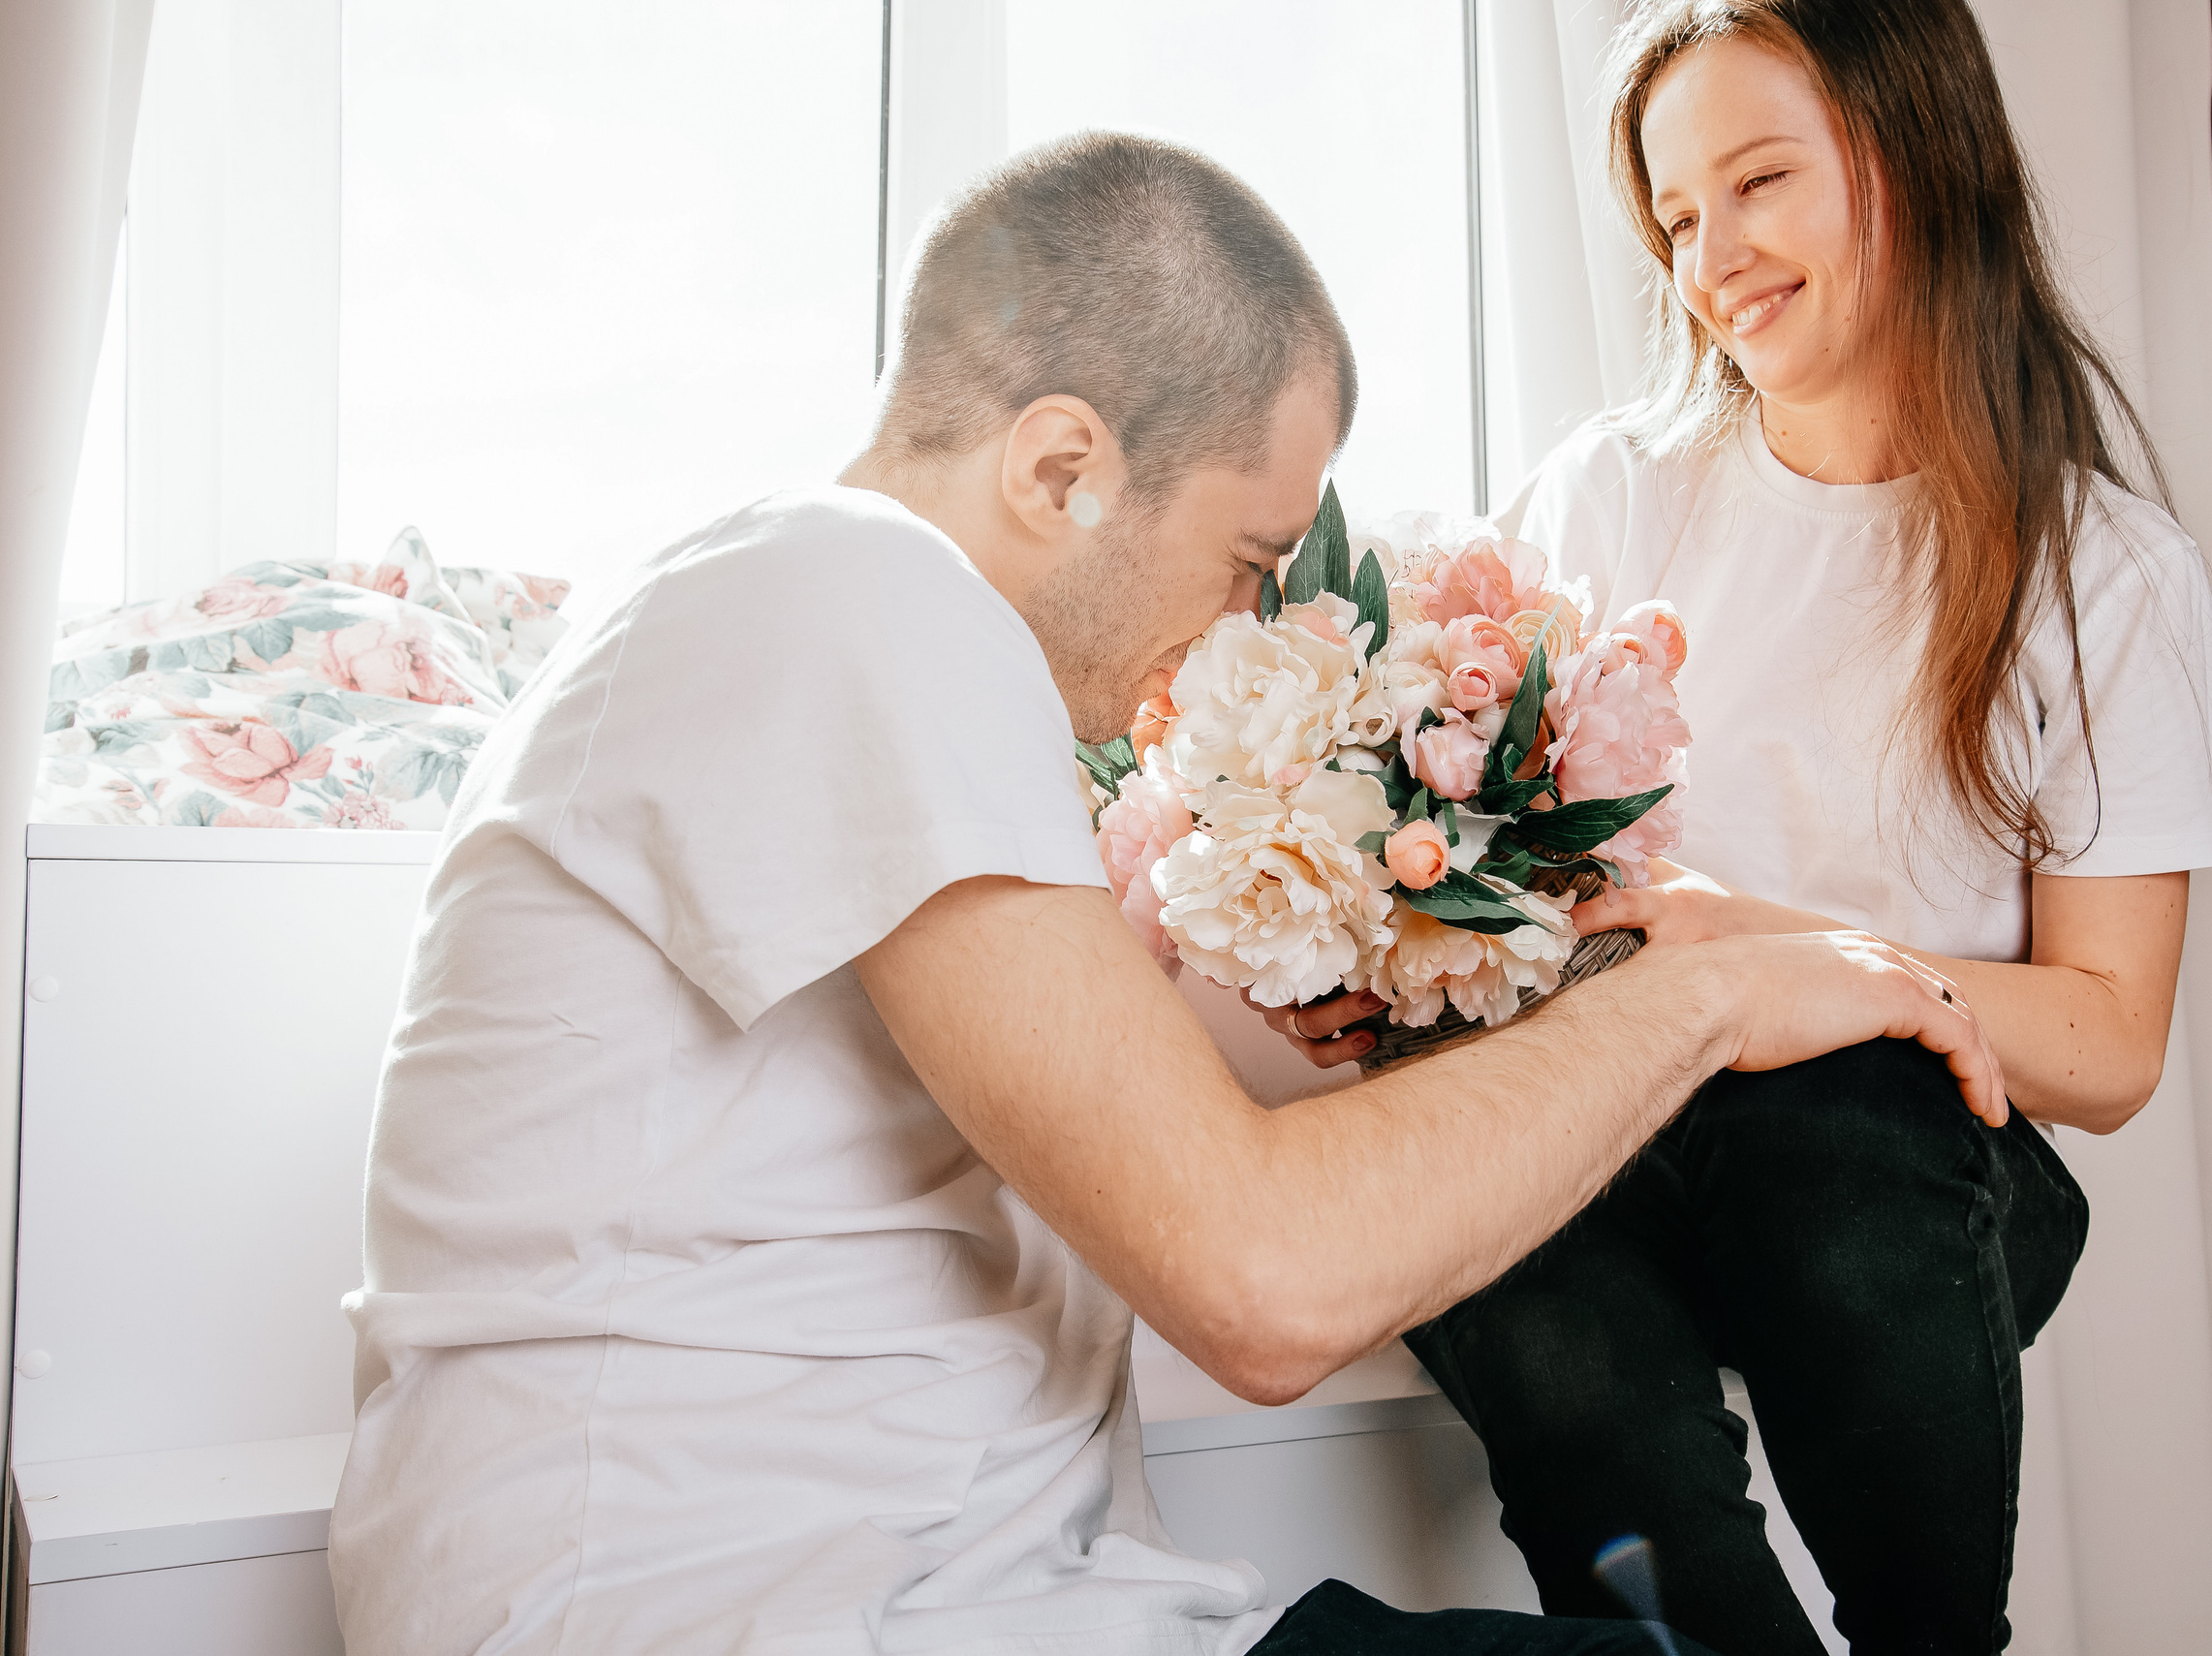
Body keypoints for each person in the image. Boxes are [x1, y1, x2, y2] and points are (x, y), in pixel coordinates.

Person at [325, 132, 2002, 1656]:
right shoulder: (849, 594)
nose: (1234, 637)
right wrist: (1708, 995)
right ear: (1062, 470)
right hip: (706, 1612)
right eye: (1249, 566)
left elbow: (1165, 1144)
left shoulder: (850, 647)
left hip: (958, 1600)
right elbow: (1265, 1285)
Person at [1263, 4, 2212, 1653]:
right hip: (1622, 1136)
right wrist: (1378, 946)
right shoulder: (1610, 495)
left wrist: (1786, 961)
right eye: (1673, 216)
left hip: (1916, 1183)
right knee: (1471, 1201)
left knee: (1840, 1102)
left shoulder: (2104, 576)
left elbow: (2107, 1040)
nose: (1710, 256)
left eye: (1759, 182)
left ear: (1912, 157)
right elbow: (1488, 848)